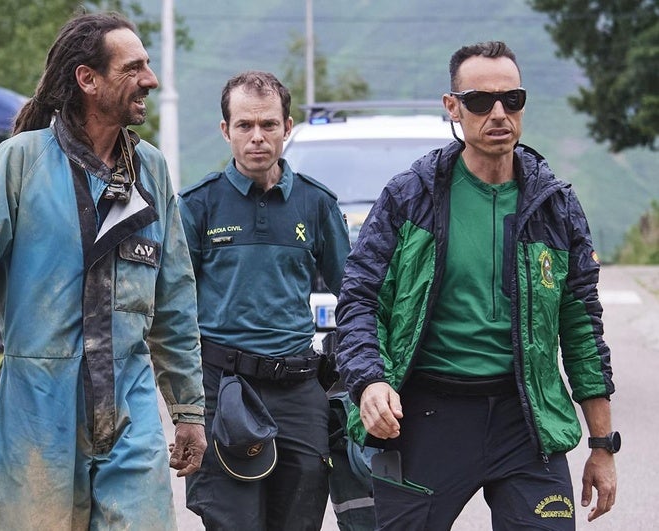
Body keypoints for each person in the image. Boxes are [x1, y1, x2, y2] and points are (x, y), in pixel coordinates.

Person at [0, 12, 206, 530]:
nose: (151, 79)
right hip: (38, 409)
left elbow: (174, 301)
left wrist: (189, 410)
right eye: (134, 68)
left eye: (148, 65)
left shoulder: (151, 170)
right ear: (88, 79)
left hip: (130, 406)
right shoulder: (20, 162)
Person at [335, 41, 618, 530]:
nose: (498, 113)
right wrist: (369, 380)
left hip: (525, 418)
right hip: (425, 416)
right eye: (480, 101)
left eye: (512, 99)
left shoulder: (555, 207)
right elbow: (359, 300)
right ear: (453, 107)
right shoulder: (410, 197)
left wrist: (601, 446)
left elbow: (582, 328)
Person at [178, 70, 351, 530]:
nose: (258, 137)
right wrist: (184, 405)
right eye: (245, 125)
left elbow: (355, 294)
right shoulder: (197, 206)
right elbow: (171, 307)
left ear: (287, 127)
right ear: (225, 131)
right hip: (224, 387)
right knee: (232, 520)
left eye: (269, 125)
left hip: (299, 390)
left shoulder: (317, 204)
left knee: (299, 519)